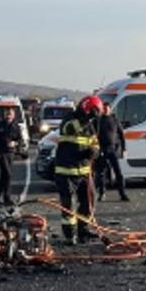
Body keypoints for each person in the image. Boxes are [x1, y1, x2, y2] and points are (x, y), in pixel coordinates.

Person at [53, 96, 102, 243]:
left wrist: (94, 151)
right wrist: (88, 118)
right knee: (69, 206)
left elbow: (95, 143)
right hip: (66, 172)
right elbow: (70, 128)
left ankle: (83, 231)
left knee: (89, 202)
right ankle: (70, 235)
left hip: (84, 172)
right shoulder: (70, 120)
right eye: (93, 112)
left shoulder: (91, 125)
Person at [94, 101, 129, 202]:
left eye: (107, 108)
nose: (105, 110)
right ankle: (102, 193)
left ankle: (122, 193)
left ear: (110, 109)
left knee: (118, 172)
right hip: (101, 149)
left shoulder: (114, 120)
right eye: (103, 109)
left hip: (113, 149)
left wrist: (124, 149)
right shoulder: (98, 120)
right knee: (101, 173)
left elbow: (121, 135)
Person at [0, 107, 19, 206]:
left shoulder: (16, 126)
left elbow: (20, 139)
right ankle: (7, 198)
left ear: (13, 115)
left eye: (10, 113)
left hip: (11, 152)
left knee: (4, 176)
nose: (8, 115)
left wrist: (15, 143)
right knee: (8, 174)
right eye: (7, 113)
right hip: (1, 152)